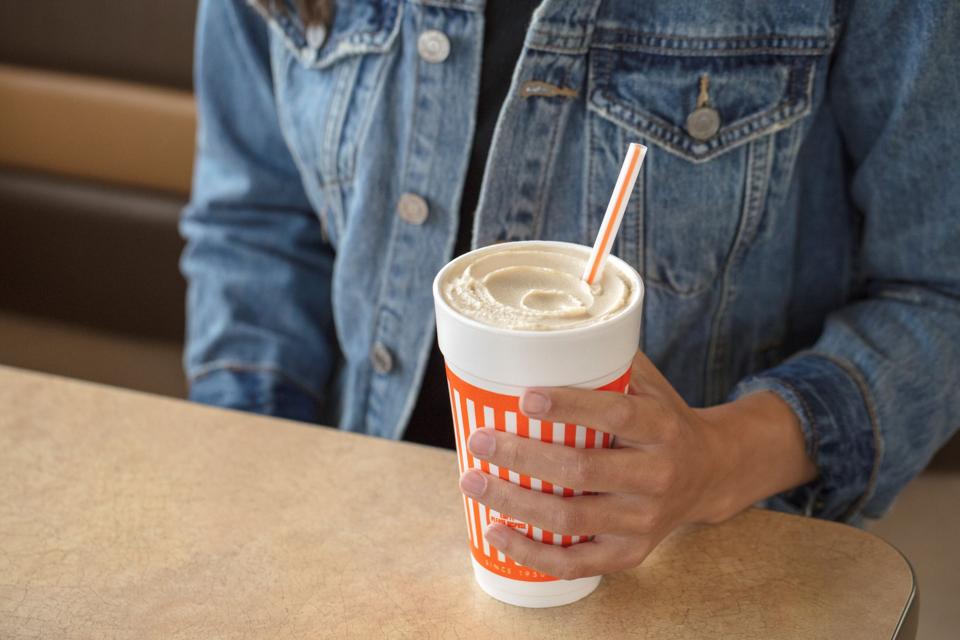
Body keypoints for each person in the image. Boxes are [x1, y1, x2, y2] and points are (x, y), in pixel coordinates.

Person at [180, 0, 960, 579]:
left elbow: (938, 291)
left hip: (691, 569)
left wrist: (718, 460)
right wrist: (258, 469)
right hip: (355, 532)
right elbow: (255, 217)